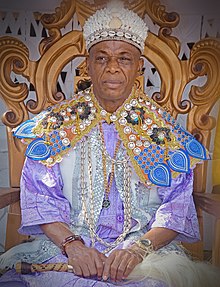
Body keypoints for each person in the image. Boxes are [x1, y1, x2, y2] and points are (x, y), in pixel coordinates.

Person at [0, 1, 219, 287]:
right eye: (101, 58)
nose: (112, 68)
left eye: (124, 59)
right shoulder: (54, 127)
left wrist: (139, 249)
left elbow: (175, 207)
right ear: (87, 65)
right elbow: (41, 197)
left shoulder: (164, 133)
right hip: (65, 251)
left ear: (139, 67)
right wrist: (73, 245)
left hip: (146, 257)